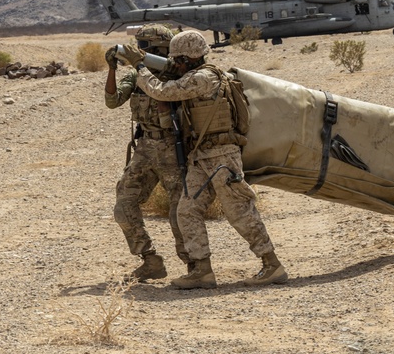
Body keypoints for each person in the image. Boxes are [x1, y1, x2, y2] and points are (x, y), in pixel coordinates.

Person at [119, 30, 287, 288]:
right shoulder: (197, 74)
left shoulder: (204, 78)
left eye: (178, 59)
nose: (175, 63)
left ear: (188, 58)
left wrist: (139, 65)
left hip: (221, 156)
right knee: (186, 211)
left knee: (239, 211)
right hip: (201, 156)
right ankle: (202, 270)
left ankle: (272, 264)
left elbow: (161, 91)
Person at [104, 24, 187, 281]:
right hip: (146, 148)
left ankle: (195, 265)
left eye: (144, 47)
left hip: (173, 148)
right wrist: (112, 68)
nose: (139, 51)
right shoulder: (137, 76)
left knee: (180, 211)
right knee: (124, 204)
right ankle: (150, 259)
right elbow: (112, 101)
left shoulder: (179, 74)